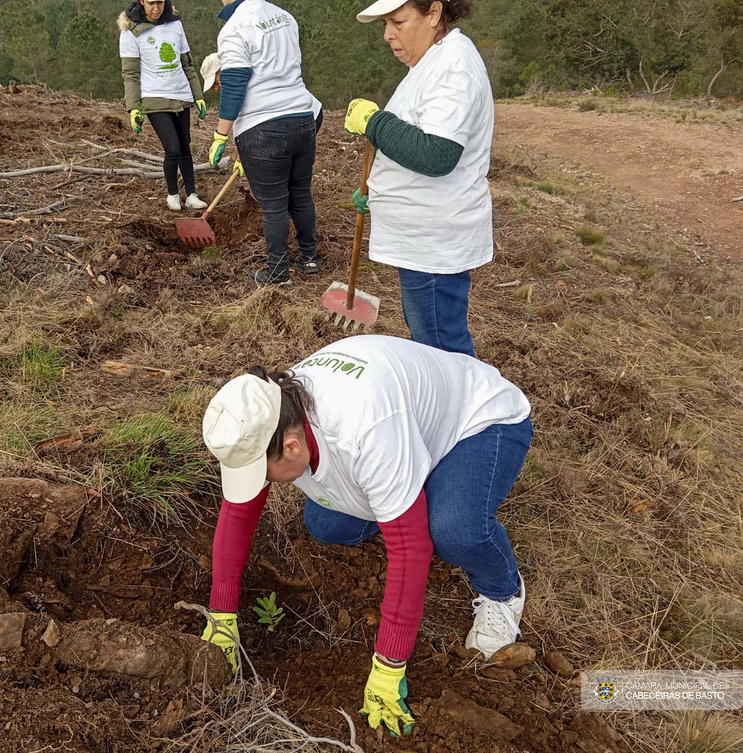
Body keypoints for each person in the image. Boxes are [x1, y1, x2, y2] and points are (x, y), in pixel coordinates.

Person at [199, 334, 532, 736]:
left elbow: (411, 549)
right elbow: (238, 515)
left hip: (478, 422)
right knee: (326, 525)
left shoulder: (364, 428)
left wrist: (389, 666)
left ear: (290, 447)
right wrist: (220, 615)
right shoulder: (272, 413)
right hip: (402, 430)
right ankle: (409, 492)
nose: (261, 484)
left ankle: (503, 591)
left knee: (451, 530)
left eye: (261, 472)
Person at [343, 0, 491, 357]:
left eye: (398, 22)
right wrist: (379, 192)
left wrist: (374, 122)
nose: (387, 34)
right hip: (421, 238)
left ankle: (471, 410)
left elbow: (436, 153)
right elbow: (417, 135)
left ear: (434, 13)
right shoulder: (431, 60)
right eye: (385, 24)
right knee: (432, 344)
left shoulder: (453, 67)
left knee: (443, 350)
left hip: (434, 245)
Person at [208, 0, 322, 286]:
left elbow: (234, 84)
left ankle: (278, 272)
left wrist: (221, 134)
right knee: (301, 193)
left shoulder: (234, 28)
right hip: (302, 116)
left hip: (263, 126)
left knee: (273, 206)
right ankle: (309, 257)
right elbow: (294, 67)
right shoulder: (284, 16)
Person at [119, 0, 208, 213]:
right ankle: (172, 194)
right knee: (172, 148)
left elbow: (186, 63)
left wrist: (198, 96)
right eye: (151, 3)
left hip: (180, 93)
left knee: (185, 145)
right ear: (142, 2)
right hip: (154, 97)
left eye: (160, 2)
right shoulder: (130, 30)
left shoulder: (175, 24)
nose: (156, 8)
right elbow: (130, 74)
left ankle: (192, 194)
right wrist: (133, 108)